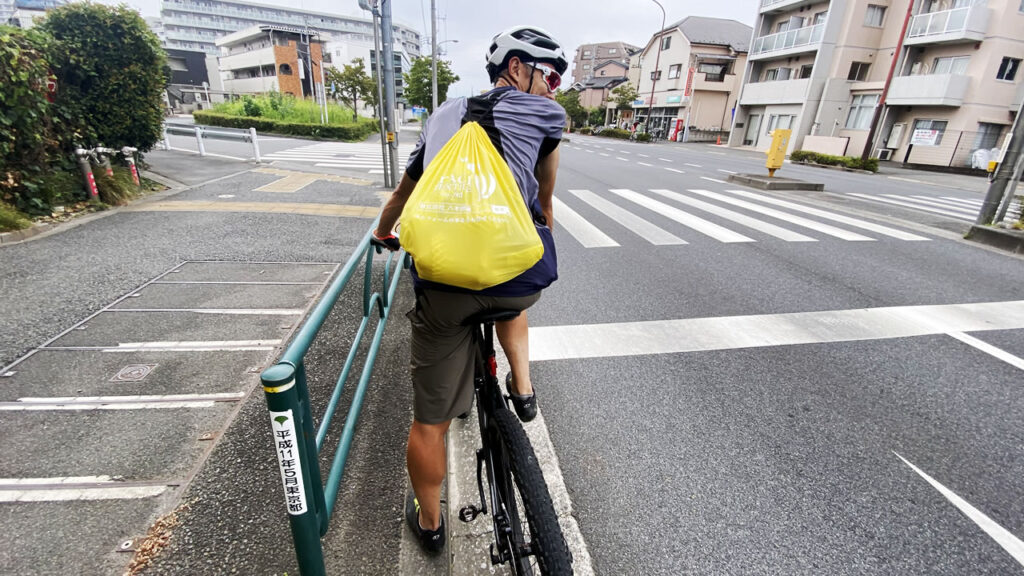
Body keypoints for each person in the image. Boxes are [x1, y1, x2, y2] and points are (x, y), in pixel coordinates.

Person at [371, 25, 567, 556]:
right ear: (517, 68)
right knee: (511, 287)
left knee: (429, 420)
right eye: (548, 74)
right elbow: (545, 204)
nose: (554, 88)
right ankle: (522, 390)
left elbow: (406, 190)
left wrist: (384, 232)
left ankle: (430, 524)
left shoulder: (440, 116)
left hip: (444, 286)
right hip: (512, 281)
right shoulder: (549, 119)